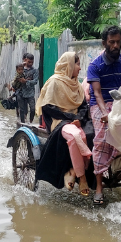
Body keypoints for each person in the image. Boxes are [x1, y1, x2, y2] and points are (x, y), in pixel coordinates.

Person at [34, 52, 94, 196]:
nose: (80, 68)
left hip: (75, 120)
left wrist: (79, 118)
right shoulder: (54, 82)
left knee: (92, 134)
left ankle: (73, 170)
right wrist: (69, 116)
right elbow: (48, 107)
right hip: (59, 120)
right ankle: (82, 176)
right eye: (78, 64)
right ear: (69, 65)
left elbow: (84, 106)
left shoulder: (77, 85)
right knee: (74, 136)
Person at [87, 26, 121, 205]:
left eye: (118, 42)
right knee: (101, 140)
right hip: (100, 105)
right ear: (104, 43)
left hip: (118, 102)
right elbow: (97, 94)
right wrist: (106, 113)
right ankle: (99, 187)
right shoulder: (95, 65)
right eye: (111, 42)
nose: (115, 45)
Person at [16, 53, 38, 123]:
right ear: (25, 60)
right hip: (21, 92)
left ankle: (31, 122)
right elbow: (16, 78)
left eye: (32, 62)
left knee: (32, 109)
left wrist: (26, 81)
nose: (30, 63)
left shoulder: (35, 71)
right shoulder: (21, 69)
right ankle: (22, 123)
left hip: (30, 93)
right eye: (29, 62)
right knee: (22, 110)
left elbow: (35, 81)